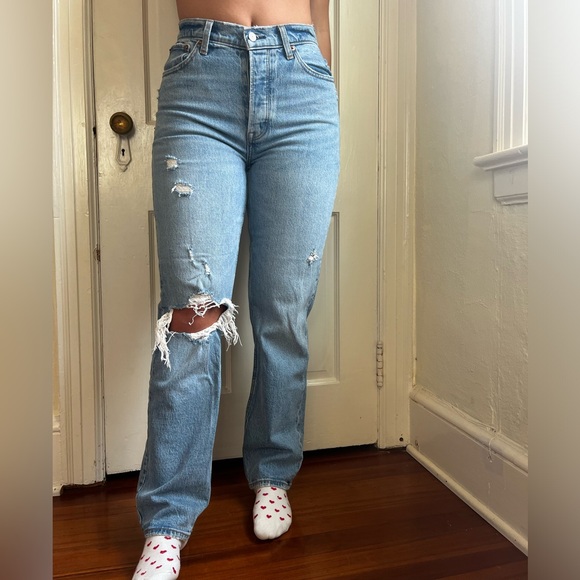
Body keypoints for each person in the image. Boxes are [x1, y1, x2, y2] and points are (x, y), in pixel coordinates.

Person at [133, 1, 339, 577]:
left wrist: (322, 82)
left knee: (285, 311)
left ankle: (273, 473)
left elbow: (320, 13)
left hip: (304, 85)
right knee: (191, 316)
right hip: (202, 77)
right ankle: (167, 521)